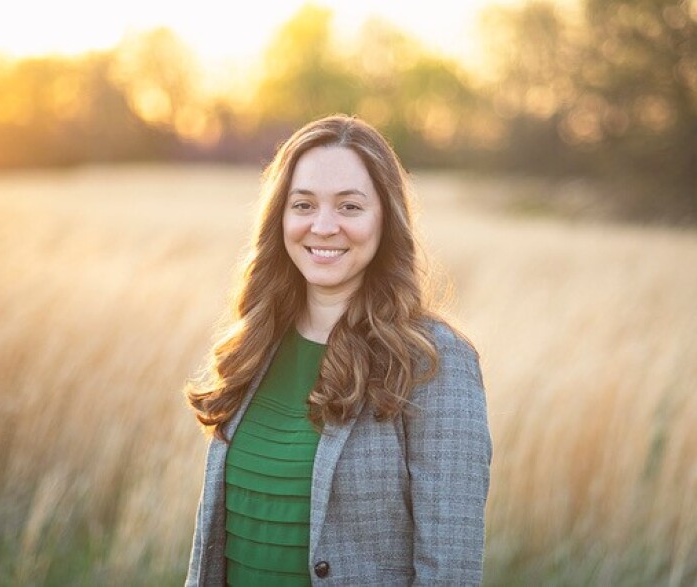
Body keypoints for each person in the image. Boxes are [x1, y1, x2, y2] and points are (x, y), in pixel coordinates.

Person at [184, 114, 492, 586]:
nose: (323, 227)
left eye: (350, 207)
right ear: (280, 217)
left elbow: (449, 570)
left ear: (385, 219)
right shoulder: (255, 345)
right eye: (303, 204)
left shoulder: (434, 363)